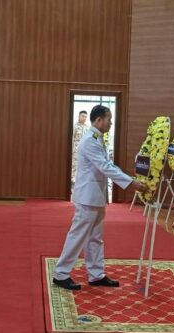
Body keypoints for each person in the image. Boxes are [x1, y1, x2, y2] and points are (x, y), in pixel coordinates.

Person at [53, 105, 146, 291]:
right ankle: (61, 273)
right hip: (87, 197)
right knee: (78, 235)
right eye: (109, 119)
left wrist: (129, 179)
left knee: (95, 237)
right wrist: (131, 183)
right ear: (98, 120)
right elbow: (105, 166)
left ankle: (96, 274)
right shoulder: (90, 140)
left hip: (95, 196)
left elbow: (107, 164)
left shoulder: (97, 138)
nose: (111, 123)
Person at [71, 110, 89, 184]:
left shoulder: (87, 127)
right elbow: (72, 138)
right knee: (75, 164)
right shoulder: (74, 126)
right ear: (79, 116)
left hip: (84, 149)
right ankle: (73, 179)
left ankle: (82, 178)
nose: (84, 118)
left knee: (84, 164)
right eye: (83, 116)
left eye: (85, 117)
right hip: (76, 149)